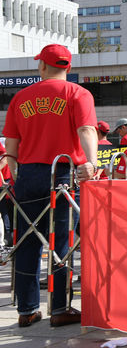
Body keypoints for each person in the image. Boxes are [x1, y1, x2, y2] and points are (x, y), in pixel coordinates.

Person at [2, 44, 97, 327]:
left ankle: (27, 310)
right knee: (61, 242)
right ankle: (59, 308)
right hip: (63, 173)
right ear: (67, 66)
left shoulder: (21, 98)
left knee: (28, 240)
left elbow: (11, 143)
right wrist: (91, 163)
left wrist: (16, 171)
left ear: (42, 66)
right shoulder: (78, 94)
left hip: (29, 174)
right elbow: (86, 129)